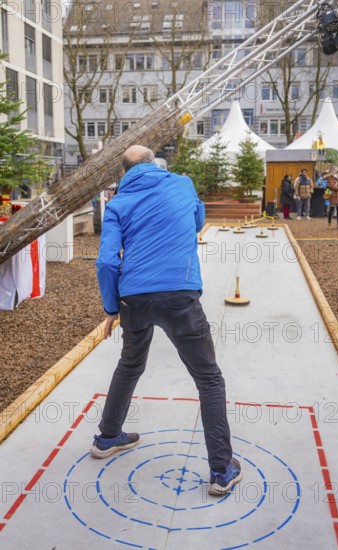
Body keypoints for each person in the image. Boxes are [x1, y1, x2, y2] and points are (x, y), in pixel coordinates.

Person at [92, 145, 242, 496]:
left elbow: (107, 263)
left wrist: (112, 308)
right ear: (154, 164)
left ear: (125, 171)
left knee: (129, 365)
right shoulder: (183, 184)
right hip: (180, 296)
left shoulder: (116, 204)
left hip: (134, 299)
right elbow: (197, 221)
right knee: (209, 380)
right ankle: (221, 469)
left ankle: (107, 436)